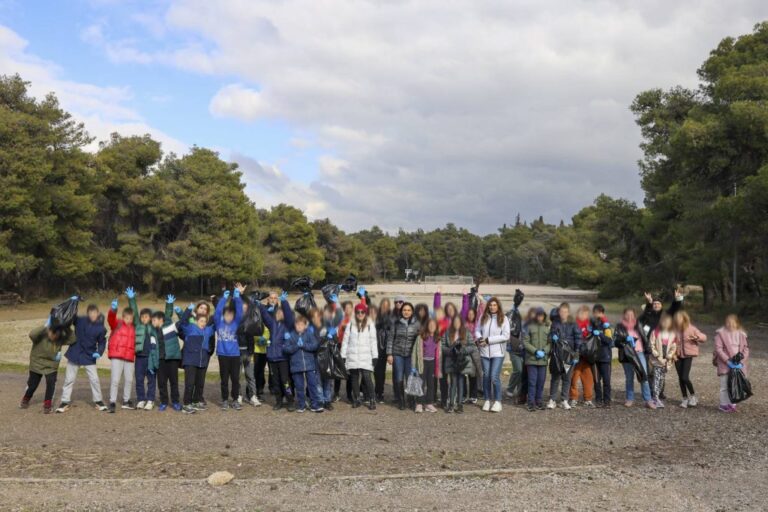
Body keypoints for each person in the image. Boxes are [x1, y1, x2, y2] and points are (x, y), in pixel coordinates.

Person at [56, 302, 108, 413]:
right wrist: (74, 302)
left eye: (95, 313)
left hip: (89, 355)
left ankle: (98, 401)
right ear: (88, 314)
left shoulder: (101, 328)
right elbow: (71, 315)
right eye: (91, 313)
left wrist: (99, 352)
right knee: (69, 379)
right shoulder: (80, 320)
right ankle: (64, 402)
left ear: (98, 313)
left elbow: (102, 342)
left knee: (94, 379)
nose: (93, 315)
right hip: (75, 353)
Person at [20, 322, 74, 414]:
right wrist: (45, 325)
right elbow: (31, 334)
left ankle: (47, 404)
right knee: (33, 384)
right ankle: (26, 398)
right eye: (52, 333)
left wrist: (67, 328)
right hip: (37, 362)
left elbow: (72, 340)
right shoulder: (40, 336)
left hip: (51, 365)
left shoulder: (59, 339)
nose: (54, 336)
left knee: (51, 383)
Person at [259, 292, 295, 411]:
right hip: (272, 357)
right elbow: (265, 315)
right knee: (275, 382)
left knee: (285, 381)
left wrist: (284, 302)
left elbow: (289, 315)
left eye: (282, 312)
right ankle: (278, 401)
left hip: (283, 357)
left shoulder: (288, 325)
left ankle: (290, 400)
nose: (280, 313)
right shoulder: (272, 324)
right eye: (278, 312)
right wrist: (259, 304)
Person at [474, 297, 510, 413]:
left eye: (494, 305)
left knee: (494, 376)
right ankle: (487, 399)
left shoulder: (503, 318)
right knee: (486, 376)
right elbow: (477, 329)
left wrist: (488, 340)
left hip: (498, 353)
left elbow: (506, 336)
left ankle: (498, 401)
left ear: (498, 306)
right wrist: (480, 339)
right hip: (484, 352)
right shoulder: (483, 317)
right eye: (490, 305)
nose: (492, 307)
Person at [614, 307, 655, 409]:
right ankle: (629, 399)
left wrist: (649, 303)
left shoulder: (639, 324)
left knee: (643, 376)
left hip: (639, 353)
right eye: (627, 314)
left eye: (631, 315)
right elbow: (616, 342)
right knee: (629, 378)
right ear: (624, 315)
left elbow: (648, 315)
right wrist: (624, 338)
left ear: (635, 315)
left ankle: (648, 400)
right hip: (627, 354)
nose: (629, 317)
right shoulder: (619, 326)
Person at [282, 314, 324, 413]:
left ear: (305, 326)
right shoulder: (291, 335)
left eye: (301, 325)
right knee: (299, 387)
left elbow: (315, 345)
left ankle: (315, 405)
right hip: (296, 366)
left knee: (312, 385)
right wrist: (296, 346)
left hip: (309, 365)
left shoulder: (309, 334)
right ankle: (301, 405)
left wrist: (304, 345)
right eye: (297, 325)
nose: (299, 326)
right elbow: (286, 348)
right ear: (295, 325)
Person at [341, 303, 378, 410]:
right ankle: (356, 399)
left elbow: (373, 342)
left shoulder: (370, 325)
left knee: (367, 378)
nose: (360, 314)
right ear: (355, 313)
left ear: (365, 313)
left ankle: (372, 399)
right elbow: (345, 341)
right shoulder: (350, 325)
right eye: (358, 312)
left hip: (366, 356)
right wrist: (343, 355)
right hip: (352, 356)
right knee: (354, 378)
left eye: (362, 312)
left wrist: (375, 356)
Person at [150, 295, 184, 412]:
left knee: (174, 382)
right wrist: (151, 365)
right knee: (162, 383)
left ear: (161, 320)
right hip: (160, 361)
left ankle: (175, 402)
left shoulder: (171, 327)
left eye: (154, 320)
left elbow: (183, 320)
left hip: (172, 359)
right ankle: (164, 402)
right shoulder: (152, 333)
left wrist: (174, 307)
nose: (152, 322)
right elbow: (152, 350)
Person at [215, 284, 246, 411]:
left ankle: (235, 399)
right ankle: (224, 400)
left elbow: (239, 310)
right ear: (224, 315)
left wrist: (237, 296)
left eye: (230, 315)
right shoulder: (219, 323)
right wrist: (223, 299)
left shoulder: (236, 323)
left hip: (234, 355)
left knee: (235, 379)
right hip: (223, 355)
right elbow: (217, 311)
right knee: (224, 380)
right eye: (226, 314)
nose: (228, 316)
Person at [178, 306, 215, 414]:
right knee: (190, 383)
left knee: (200, 383)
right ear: (196, 321)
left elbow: (216, 321)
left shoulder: (208, 330)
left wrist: (219, 304)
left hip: (202, 361)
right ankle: (186, 404)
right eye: (201, 321)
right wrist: (188, 310)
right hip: (190, 361)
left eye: (205, 321)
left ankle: (195, 401)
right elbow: (182, 322)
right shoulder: (190, 328)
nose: (203, 323)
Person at [106, 292, 137, 413]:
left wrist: (132, 299)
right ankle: (112, 401)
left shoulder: (134, 327)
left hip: (129, 357)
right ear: (123, 317)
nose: (129, 320)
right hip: (117, 355)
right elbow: (110, 318)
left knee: (129, 379)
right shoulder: (117, 323)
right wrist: (113, 309)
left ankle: (126, 400)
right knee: (115, 380)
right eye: (127, 318)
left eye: (131, 318)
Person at [386, 301, 420, 410]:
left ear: (412, 311)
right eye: (404, 310)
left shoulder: (417, 324)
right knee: (399, 377)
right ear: (401, 311)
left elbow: (419, 340)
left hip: (411, 355)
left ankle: (411, 401)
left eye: (409, 310)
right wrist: (389, 354)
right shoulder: (396, 323)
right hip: (398, 354)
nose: (406, 312)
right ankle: (401, 401)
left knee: (410, 378)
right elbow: (390, 339)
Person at [547, 303, 580, 410]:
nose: (563, 314)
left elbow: (578, 339)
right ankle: (552, 399)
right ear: (558, 312)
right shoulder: (555, 323)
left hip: (569, 355)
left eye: (565, 312)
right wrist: (553, 336)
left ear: (568, 312)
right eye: (561, 312)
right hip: (557, 355)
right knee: (555, 377)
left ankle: (564, 400)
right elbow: (550, 335)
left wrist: (576, 354)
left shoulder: (573, 324)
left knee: (567, 378)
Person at [714, 314, 749, 413]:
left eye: (732, 322)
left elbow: (746, 348)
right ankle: (723, 404)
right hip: (725, 364)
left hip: (738, 364)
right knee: (724, 385)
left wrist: (741, 361)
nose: (730, 324)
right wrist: (727, 361)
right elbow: (718, 349)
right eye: (728, 322)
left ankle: (732, 403)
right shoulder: (720, 334)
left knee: (736, 384)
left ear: (736, 323)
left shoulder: (741, 334)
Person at [130, 288, 157, 411]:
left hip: (150, 358)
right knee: (139, 379)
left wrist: (169, 304)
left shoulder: (154, 327)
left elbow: (166, 316)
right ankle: (141, 399)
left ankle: (150, 400)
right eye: (143, 317)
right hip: (140, 357)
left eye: (147, 317)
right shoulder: (138, 325)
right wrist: (131, 299)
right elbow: (134, 312)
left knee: (151, 380)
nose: (144, 318)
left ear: (151, 318)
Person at [673, 310, 707, 408]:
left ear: (684, 318)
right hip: (677, 356)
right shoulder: (674, 329)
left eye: (679, 318)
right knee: (680, 378)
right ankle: (684, 398)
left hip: (688, 355)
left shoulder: (691, 328)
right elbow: (671, 342)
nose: (678, 320)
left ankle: (693, 396)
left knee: (684, 377)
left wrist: (696, 337)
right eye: (676, 318)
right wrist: (672, 354)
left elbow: (704, 337)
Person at [442, 315, 474, 413]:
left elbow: (472, 346)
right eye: (455, 321)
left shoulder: (467, 332)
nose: (457, 323)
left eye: (458, 321)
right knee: (453, 383)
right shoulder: (447, 333)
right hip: (452, 361)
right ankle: (451, 404)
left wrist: (463, 350)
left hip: (462, 362)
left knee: (461, 383)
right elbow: (442, 346)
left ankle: (460, 405)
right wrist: (451, 351)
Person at [411, 317, 442, 413]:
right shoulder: (420, 337)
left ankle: (429, 403)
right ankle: (419, 403)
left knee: (431, 384)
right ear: (427, 326)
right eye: (430, 324)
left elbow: (439, 353)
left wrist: (439, 367)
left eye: (434, 324)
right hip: (422, 363)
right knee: (421, 383)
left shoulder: (437, 338)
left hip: (432, 363)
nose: (432, 326)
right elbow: (414, 352)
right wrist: (413, 367)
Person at [236, 299, 262, 407]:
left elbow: (251, 338)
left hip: (248, 352)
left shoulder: (251, 321)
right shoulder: (235, 320)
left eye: (246, 307)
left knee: (250, 375)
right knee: (237, 376)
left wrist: (251, 352)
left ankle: (252, 396)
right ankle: (238, 395)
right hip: (236, 353)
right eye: (242, 307)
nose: (244, 309)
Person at [523, 308, 550, 411]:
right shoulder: (529, 327)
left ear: (544, 316)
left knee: (541, 382)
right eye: (538, 315)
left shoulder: (547, 327)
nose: (540, 317)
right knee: (532, 382)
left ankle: (539, 401)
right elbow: (525, 342)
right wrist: (535, 351)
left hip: (543, 360)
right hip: (531, 359)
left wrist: (545, 351)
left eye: (542, 315)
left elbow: (550, 343)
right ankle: (530, 403)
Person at [649, 313, 677, 408]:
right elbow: (652, 344)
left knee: (661, 380)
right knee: (656, 379)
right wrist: (656, 354)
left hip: (666, 361)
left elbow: (674, 347)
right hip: (657, 360)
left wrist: (669, 356)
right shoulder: (656, 332)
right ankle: (655, 398)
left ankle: (657, 397)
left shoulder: (672, 334)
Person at [569, 305, 594, 407]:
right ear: (578, 313)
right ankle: (573, 398)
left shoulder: (590, 324)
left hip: (587, 356)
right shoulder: (574, 324)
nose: (584, 315)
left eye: (586, 313)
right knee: (574, 377)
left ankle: (588, 398)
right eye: (582, 313)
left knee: (588, 378)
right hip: (576, 354)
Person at [591, 304, 614, 408]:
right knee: (596, 381)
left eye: (599, 312)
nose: (597, 314)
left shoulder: (607, 326)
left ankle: (607, 401)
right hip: (595, 357)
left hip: (605, 357)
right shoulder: (591, 325)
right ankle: (598, 400)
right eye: (595, 312)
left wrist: (600, 334)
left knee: (606, 380)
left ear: (603, 313)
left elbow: (609, 341)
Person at [374, 298, 394, 403]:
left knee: (382, 371)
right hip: (377, 346)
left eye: (387, 305)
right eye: (383, 305)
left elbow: (391, 329)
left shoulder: (391, 316)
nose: (385, 307)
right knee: (378, 371)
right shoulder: (377, 316)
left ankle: (380, 392)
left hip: (387, 346)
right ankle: (377, 391)